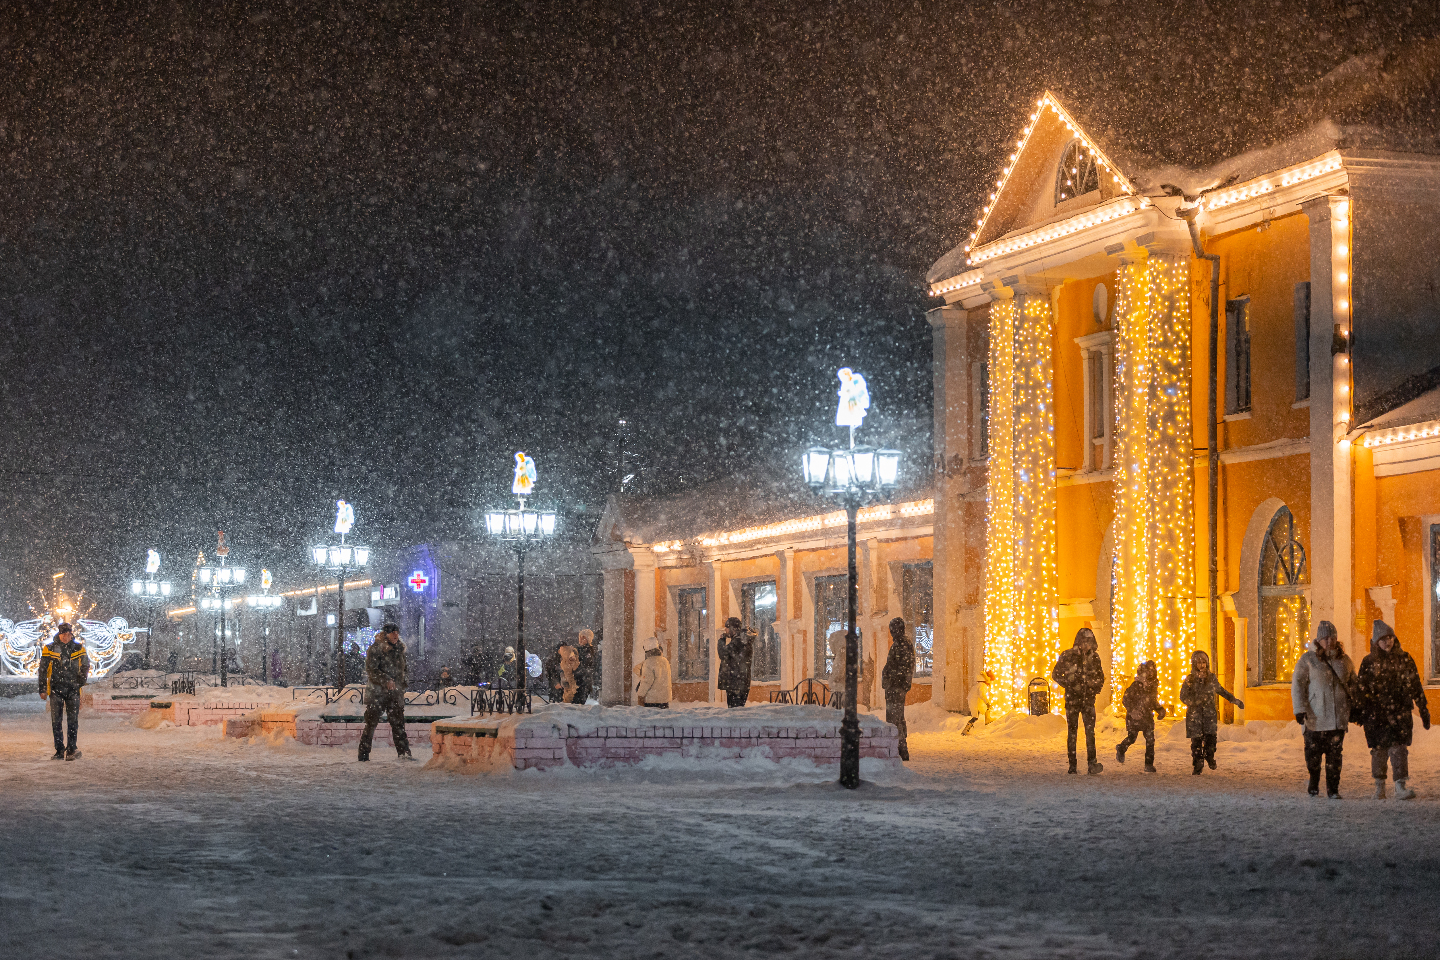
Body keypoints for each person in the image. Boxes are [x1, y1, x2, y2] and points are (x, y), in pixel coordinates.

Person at [1358, 620, 1430, 800]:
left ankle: (1400, 786)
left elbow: (1415, 684)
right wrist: (1359, 711)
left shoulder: (1405, 658)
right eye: (1383, 639)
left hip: (1400, 712)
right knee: (1379, 750)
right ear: (1376, 642)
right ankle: (1379, 787)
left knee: (1399, 749)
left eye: (1390, 637)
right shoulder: (1368, 662)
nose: (1387, 642)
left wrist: (1423, 707)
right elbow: (1361, 689)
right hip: (1377, 714)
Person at [1291, 621, 1353, 797]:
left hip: (1337, 718)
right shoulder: (1308, 660)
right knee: (1313, 755)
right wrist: (1300, 709)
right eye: (1325, 638)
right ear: (1318, 639)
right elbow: (1298, 685)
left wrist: (1354, 705)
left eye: (1332, 637)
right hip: (1315, 718)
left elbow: (1352, 684)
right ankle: (1314, 781)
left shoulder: (1344, 660)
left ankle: (1333, 789)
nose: (1329, 641)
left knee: (1335, 757)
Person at [1181, 650, 1244, 776]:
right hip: (1195, 716)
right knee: (1196, 743)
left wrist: (1234, 700)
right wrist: (1194, 702)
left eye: (1204, 662)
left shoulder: (1211, 678)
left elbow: (1221, 691)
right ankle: (1198, 764)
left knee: (1211, 741)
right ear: (1194, 664)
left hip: (1209, 715)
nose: (1202, 665)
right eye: (1199, 663)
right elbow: (1183, 696)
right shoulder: (1190, 679)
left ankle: (1209, 757)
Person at [1052, 627, 1105, 774]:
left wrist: (1094, 688)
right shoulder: (1068, 655)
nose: (1086, 645)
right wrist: (1070, 684)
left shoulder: (1094, 658)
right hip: (1073, 700)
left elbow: (1100, 677)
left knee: (1090, 732)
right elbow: (1055, 674)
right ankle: (1072, 765)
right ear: (1079, 642)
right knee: (1073, 731)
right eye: (1084, 642)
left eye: (1089, 642)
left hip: (1088, 700)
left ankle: (1092, 763)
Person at [359, 624, 413, 762]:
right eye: (392, 633)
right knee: (371, 724)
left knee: (398, 724)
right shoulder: (376, 649)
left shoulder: (399, 649)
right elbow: (372, 670)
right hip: (377, 694)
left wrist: (403, 682)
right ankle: (363, 754)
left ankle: (404, 753)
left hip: (395, 694)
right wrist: (386, 680)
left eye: (397, 632)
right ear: (386, 634)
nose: (395, 635)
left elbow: (404, 669)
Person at [38, 623, 90, 760]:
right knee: (56, 721)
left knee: (73, 721)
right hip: (56, 689)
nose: (65, 637)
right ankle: (59, 750)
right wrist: (42, 689)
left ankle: (72, 749)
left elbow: (86, 665)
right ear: (59, 634)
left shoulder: (79, 648)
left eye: (67, 634)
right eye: (63, 634)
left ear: (71, 634)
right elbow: (42, 669)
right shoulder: (49, 648)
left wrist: (81, 681)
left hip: (73, 689)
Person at [1115, 660, 1166, 772]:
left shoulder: (1153, 686)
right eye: (1148, 670)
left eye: (1152, 670)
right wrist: (1133, 710)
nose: (1151, 673)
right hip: (1135, 717)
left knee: (1150, 740)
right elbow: (1126, 699)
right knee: (1132, 738)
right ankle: (1121, 748)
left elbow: (1153, 701)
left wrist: (1159, 709)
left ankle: (1148, 764)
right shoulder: (1136, 685)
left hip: (1147, 717)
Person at [880, 617, 915, 761]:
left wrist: (891, 679)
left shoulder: (902, 644)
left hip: (896, 688)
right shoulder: (901, 644)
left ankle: (900, 748)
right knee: (897, 717)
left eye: (892, 630)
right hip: (895, 687)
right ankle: (899, 747)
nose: (891, 633)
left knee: (895, 718)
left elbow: (902, 668)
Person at [717, 617, 755, 708]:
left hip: (735, 683)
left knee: (734, 712)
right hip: (742, 682)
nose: (725, 630)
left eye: (727, 628)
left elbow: (723, 654)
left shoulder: (737, 642)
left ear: (732, 629)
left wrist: (721, 641)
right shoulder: (743, 640)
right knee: (738, 711)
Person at [635, 637, 672, 708]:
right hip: (664, 699)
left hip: (652, 700)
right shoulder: (665, 661)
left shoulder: (648, 662)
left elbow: (646, 682)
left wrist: (640, 695)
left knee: (651, 718)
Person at [962, 669, 994, 735]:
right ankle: (987, 719)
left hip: (974, 701)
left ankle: (966, 730)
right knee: (977, 716)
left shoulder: (978, 685)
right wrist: (987, 702)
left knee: (976, 716)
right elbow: (982, 694)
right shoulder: (982, 685)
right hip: (975, 702)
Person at [574, 628, 597, 703]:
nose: (580, 639)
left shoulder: (589, 651)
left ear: (588, 639)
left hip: (583, 681)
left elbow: (586, 665)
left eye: (583, 638)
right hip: (577, 680)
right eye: (580, 637)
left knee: (578, 702)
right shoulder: (577, 650)